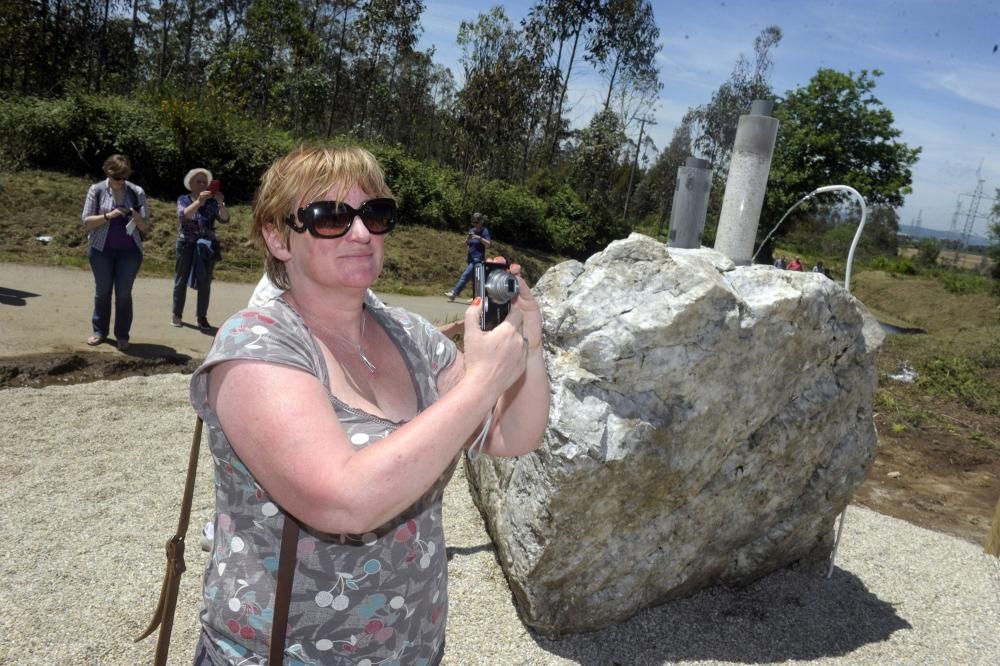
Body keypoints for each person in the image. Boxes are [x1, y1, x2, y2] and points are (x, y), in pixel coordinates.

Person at [188, 145, 549, 665]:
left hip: (409, 646)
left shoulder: (410, 334)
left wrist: (528, 345)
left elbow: (510, 436)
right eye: (330, 217)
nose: (360, 233)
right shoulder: (256, 343)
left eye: (374, 215)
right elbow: (343, 502)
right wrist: (483, 381)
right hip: (289, 653)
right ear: (277, 238)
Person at [80, 154, 151, 351]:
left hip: (130, 253)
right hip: (100, 250)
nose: (119, 182)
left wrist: (136, 218)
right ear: (107, 172)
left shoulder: (137, 192)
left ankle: (122, 335)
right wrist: (107, 216)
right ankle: (99, 332)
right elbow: (86, 222)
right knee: (102, 292)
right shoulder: (96, 190)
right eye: (116, 177)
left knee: (123, 294)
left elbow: (145, 227)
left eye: (123, 177)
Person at [172, 167, 231, 330]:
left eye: (205, 182)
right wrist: (198, 202)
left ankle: (201, 317)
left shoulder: (213, 202)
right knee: (181, 280)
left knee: (205, 281)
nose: (203, 184)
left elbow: (225, 219)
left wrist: (220, 203)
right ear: (190, 184)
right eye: (199, 181)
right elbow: (183, 216)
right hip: (186, 244)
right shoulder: (183, 199)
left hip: (206, 246)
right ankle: (177, 314)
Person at [444, 212, 491, 302]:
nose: (475, 224)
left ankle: (454, 293)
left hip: (478, 259)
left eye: (476, 222)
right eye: (473, 222)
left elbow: (488, 244)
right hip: (470, 258)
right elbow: (465, 244)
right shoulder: (472, 230)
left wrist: (479, 238)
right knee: (477, 280)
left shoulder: (484, 231)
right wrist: (467, 239)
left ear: (481, 222)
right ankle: (477, 297)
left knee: (465, 276)